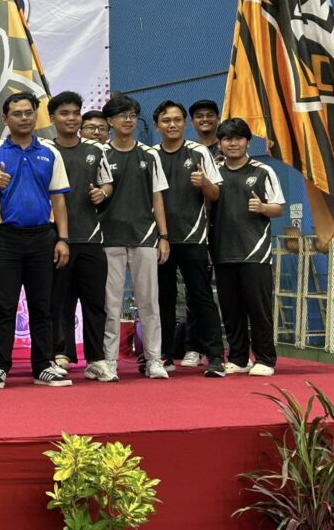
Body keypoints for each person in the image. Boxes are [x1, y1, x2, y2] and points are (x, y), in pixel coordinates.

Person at [0, 92, 71, 389]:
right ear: (5, 119)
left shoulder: (50, 152)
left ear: (35, 115)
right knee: (3, 306)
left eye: (29, 112)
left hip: (43, 238)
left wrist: (63, 239)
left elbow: (59, 200)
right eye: (17, 113)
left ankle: (43, 365)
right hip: (5, 238)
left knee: (42, 306)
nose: (24, 118)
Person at [151, 100, 226, 378]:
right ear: (157, 126)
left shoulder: (199, 152)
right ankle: (164, 355)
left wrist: (203, 182)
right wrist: (159, 235)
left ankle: (216, 356)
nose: (172, 125)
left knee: (201, 296)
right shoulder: (150, 155)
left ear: (185, 124)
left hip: (194, 237)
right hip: (160, 240)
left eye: (177, 120)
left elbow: (215, 194)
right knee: (163, 298)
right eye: (166, 120)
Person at [100, 94, 170, 381]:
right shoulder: (101, 154)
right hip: (109, 237)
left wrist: (163, 236)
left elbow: (157, 197)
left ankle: (154, 359)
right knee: (111, 304)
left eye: (132, 115)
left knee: (149, 302)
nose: (128, 120)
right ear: (110, 121)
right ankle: (108, 361)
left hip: (145, 236)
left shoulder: (150, 155)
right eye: (122, 115)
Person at [47, 92, 113, 382]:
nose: (71, 118)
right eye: (65, 113)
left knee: (94, 302)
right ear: (52, 118)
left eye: (76, 113)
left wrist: (102, 193)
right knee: (55, 302)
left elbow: (107, 183)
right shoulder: (44, 150)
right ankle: (56, 354)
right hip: (54, 239)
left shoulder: (95, 150)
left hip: (91, 238)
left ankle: (96, 359)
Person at [211, 118, 284, 376]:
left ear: (248, 142)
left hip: (255, 252)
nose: (233, 143)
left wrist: (263, 207)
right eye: (227, 139)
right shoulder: (213, 172)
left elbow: (278, 208)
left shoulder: (263, 171)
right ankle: (239, 358)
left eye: (238, 138)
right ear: (220, 143)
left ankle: (265, 359)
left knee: (258, 309)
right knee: (231, 310)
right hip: (222, 251)